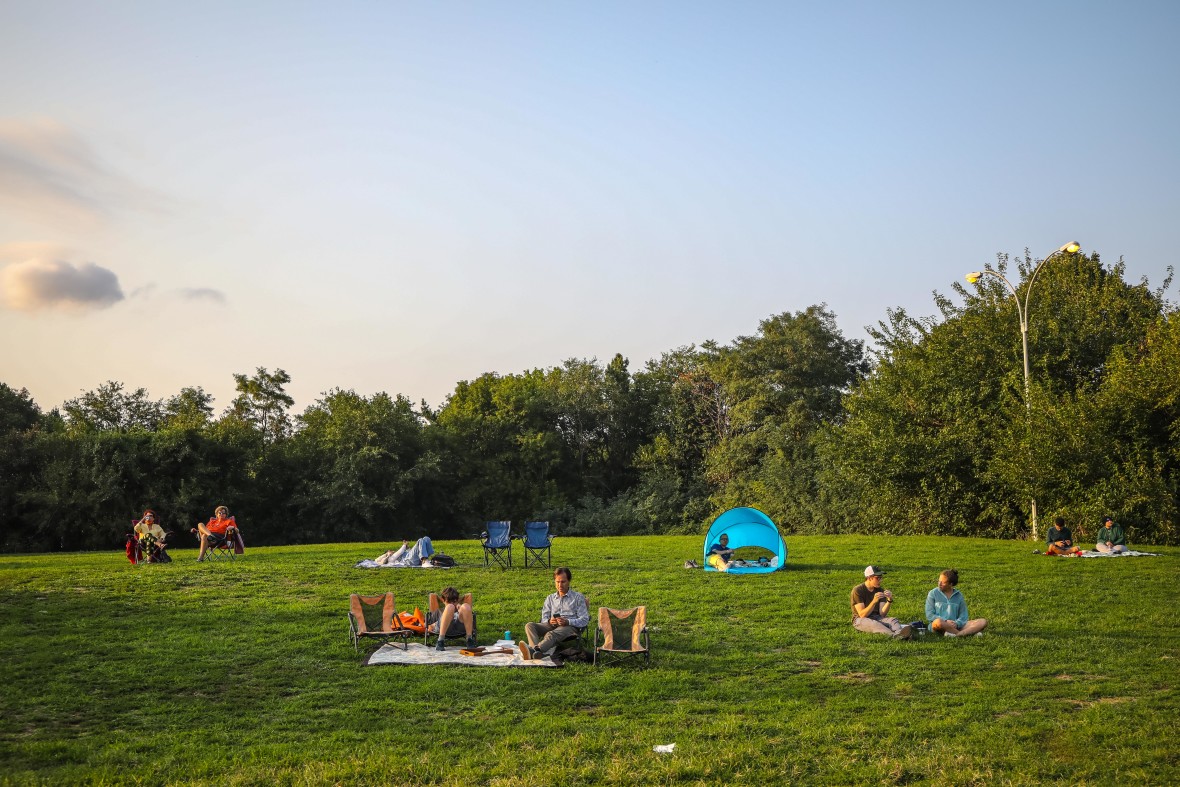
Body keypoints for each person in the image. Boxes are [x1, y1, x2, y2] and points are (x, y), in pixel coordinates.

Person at [519, 566, 589, 661]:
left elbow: (584, 620)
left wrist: (568, 621)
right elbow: (544, 618)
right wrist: (549, 621)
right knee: (529, 625)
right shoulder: (550, 598)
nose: (560, 585)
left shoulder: (577, 597)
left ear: (569, 581)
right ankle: (535, 651)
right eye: (557, 582)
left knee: (551, 634)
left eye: (563, 582)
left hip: (569, 627)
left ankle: (535, 650)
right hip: (552, 625)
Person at [850, 566, 913, 639]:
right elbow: (862, 614)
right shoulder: (858, 590)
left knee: (893, 620)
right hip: (860, 620)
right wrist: (874, 601)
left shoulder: (880, 590)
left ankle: (901, 634)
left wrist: (889, 600)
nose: (880, 580)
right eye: (878, 578)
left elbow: (882, 613)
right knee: (875, 624)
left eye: (881, 578)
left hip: (877, 617)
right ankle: (896, 636)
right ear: (869, 578)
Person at [924, 569, 987, 637]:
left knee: (983, 621)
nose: (939, 584)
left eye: (943, 582)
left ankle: (955, 634)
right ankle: (966, 634)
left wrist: (957, 623)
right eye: (939, 581)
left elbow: (963, 616)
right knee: (938, 622)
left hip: (955, 625)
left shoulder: (959, 596)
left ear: (951, 584)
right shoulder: (933, 593)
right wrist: (945, 621)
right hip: (940, 624)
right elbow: (929, 615)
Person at [427, 586, 476, 651]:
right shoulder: (439, 611)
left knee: (466, 606)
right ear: (443, 600)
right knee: (450, 607)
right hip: (444, 629)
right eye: (449, 601)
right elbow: (429, 625)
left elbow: (471, 622)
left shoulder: (461, 609)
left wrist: (461, 609)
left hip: (460, 627)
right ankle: (440, 641)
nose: (452, 603)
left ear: (457, 600)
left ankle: (469, 639)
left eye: (454, 601)